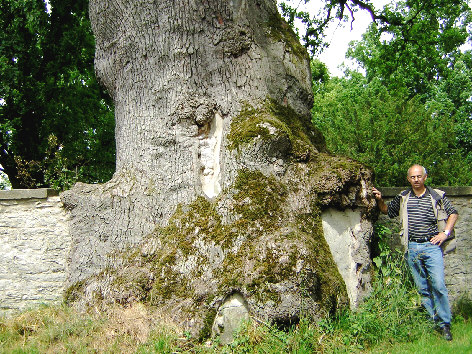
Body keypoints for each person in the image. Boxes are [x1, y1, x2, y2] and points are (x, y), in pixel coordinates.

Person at [372, 164, 458, 341]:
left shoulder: (436, 195)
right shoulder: (403, 197)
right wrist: (380, 200)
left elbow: (453, 213)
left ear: (425, 177)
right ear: (408, 179)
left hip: (432, 247)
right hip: (412, 247)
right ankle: (432, 321)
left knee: (439, 285)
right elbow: (388, 211)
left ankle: (445, 325)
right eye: (413, 177)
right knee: (422, 288)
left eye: (419, 176)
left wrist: (445, 233)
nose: (416, 180)